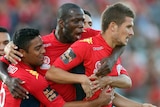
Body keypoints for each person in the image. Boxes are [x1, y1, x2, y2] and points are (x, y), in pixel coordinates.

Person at [0, 3, 156, 107]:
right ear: (61, 23)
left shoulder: (88, 38)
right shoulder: (40, 46)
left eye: (84, 22)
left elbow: (119, 38)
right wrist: (7, 78)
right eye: (76, 21)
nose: (82, 27)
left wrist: (112, 58)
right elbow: (4, 62)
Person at [44, 3, 151, 107]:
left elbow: (118, 89)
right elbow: (52, 73)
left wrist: (142, 105)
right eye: (128, 27)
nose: (82, 27)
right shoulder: (83, 45)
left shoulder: (111, 50)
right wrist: (83, 79)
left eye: (84, 22)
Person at [0, 28, 114, 107]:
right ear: (22, 52)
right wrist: (98, 103)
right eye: (37, 48)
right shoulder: (33, 79)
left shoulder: (11, 63)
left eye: (43, 46)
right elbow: (61, 106)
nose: (44, 51)